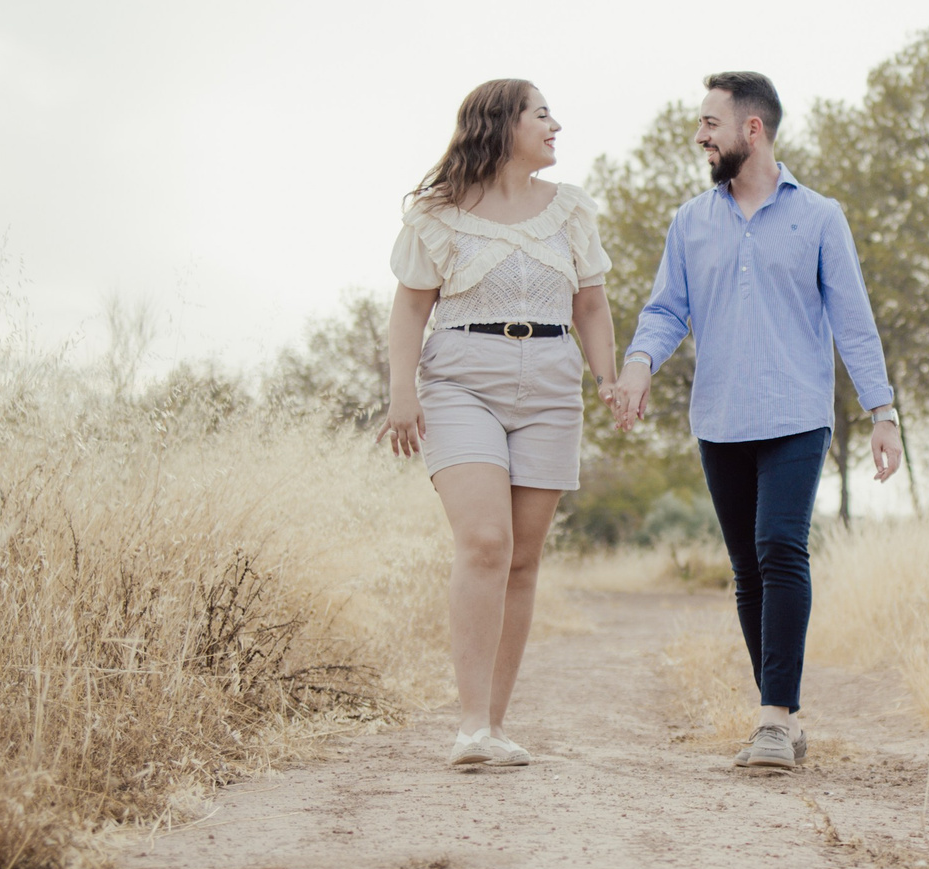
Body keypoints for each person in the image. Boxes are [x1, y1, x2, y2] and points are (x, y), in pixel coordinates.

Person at [612, 71, 901, 772]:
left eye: (710, 122)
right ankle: (784, 715)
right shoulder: (690, 221)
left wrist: (882, 410)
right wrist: (639, 363)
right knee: (747, 568)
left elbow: (853, 321)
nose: (699, 135)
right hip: (719, 417)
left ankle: (773, 719)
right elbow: (665, 309)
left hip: (797, 412)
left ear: (752, 128)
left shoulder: (821, 216)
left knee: (779, 546)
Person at [379, 80, 617, 769]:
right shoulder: (437, 214)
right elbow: (408, 311)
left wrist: (606, 378)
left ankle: (494, 727)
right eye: (542, 114)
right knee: (484, 540)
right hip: (460, 378)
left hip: (549, 382)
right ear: (503, 122)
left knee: (522, 556)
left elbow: (592, 306)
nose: (556, 125)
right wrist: (402, 392)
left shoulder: (571, 209)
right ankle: (469, 724)